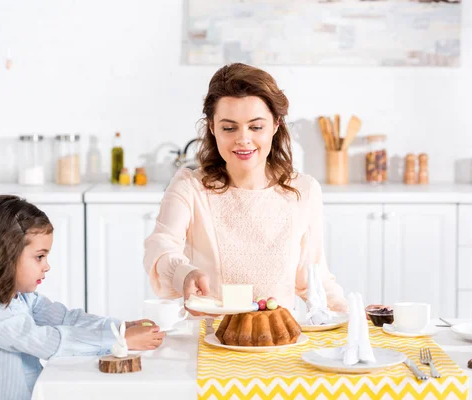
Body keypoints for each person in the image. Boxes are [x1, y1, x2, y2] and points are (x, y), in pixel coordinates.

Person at [144, 63, 347, 315]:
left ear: (275, 125)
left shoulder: (303, 190)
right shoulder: (190, 187)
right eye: (229, 128)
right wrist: (184, 274)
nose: (243, 139)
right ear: (212, 127)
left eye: (256, 127)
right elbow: (160, 248)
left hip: (277, 339)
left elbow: (314, 277)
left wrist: (352, 317)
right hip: (210, 339)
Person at [0, 195, 165, 400]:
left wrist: (120, 327)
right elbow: (49, 342)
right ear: (5, 256)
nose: (47, 266)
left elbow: (67, 319)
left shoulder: (20, 297)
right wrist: (120, 341)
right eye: (39, 257)